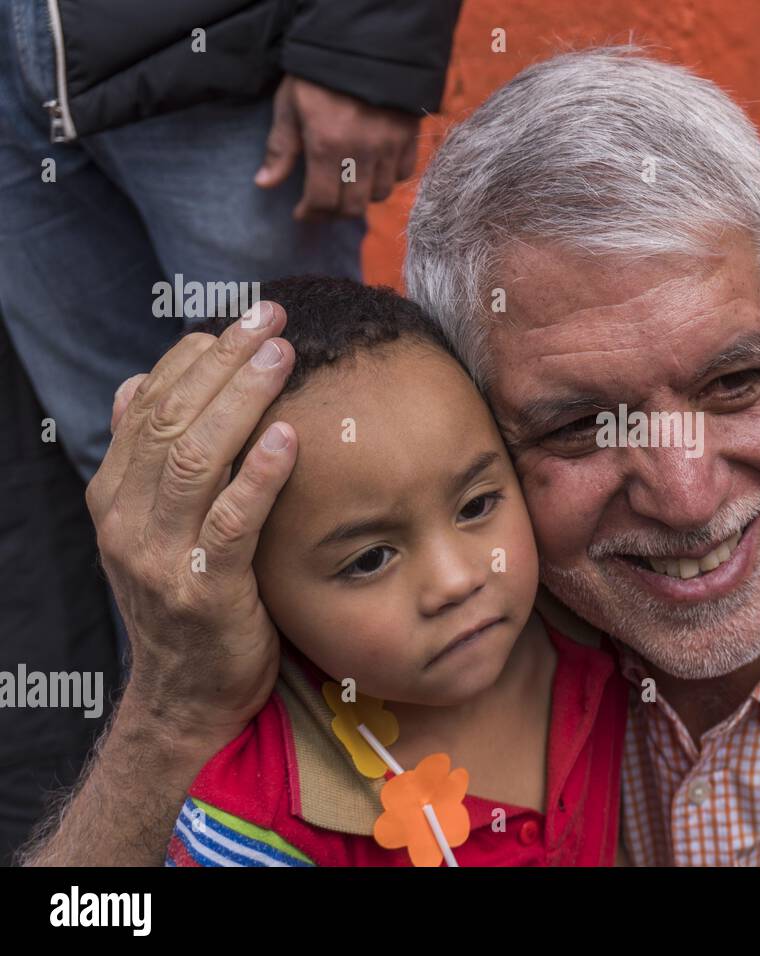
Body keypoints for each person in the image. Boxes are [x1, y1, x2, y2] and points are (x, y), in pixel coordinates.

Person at [22, 47, 760, 867]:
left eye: (735, 383)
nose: (685, 495)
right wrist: (171, 709)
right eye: (581, 424)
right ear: (476, 428)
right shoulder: (394, 609)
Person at [0, 0, 461, 863]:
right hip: (16, 84)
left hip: (220, 50)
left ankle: (371, 820)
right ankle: (214, 821)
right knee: (131, 475)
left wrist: (368, 40)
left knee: (312, 475)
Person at [163, 277, 625, 867]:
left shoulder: (603, 621)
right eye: (369, 560)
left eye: (477, 505)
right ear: (248, 587)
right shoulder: (257, 820)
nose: (456, 580)